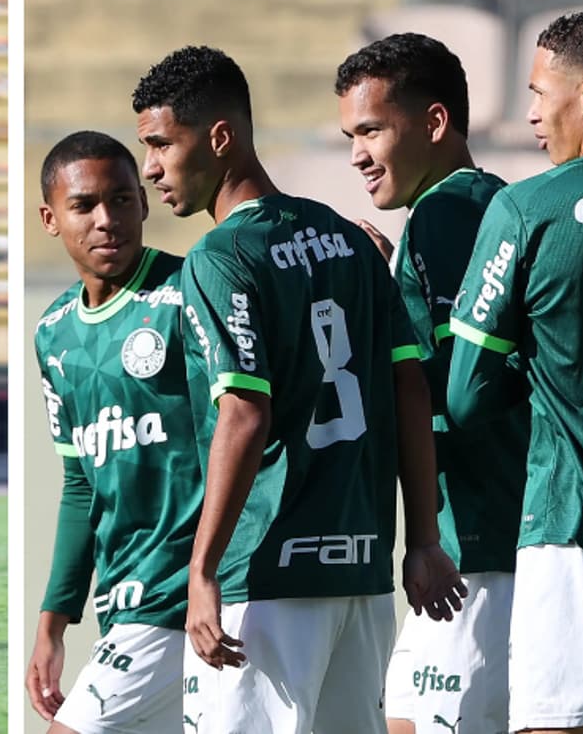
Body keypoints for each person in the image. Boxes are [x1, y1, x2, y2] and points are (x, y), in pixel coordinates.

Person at [132, 45, 466, 733]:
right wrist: (423, 541)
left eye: (162, 143)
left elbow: (245, 414)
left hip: (269, 580)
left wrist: (201, 572)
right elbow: (410, 387)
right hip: (363, 575)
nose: (151, 168)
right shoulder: (349, 239)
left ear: (220, 138)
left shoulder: (220, 257)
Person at [334, 33, 529, 734]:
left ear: (436, 123)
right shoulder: (487, 207)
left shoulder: (444, 216)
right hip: (472, 542)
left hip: (474, 543)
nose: (356, 153)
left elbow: (457, 388)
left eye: (371, 130)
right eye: (349, 134)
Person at [447, 7, 583, 734]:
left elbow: (467, 392)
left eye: (540, 93)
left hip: (573, 523)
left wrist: (531, 361)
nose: (530, 114)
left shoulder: (528, 208)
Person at [24, 131, 204, 733]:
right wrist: (53, 622)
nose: (107, 220)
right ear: (51, 218)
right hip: (119, 602)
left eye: (122, 200)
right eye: (85, 206)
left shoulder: (189, 293)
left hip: (181, 594)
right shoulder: (53, 335)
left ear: (144, 203)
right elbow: (81, 484)